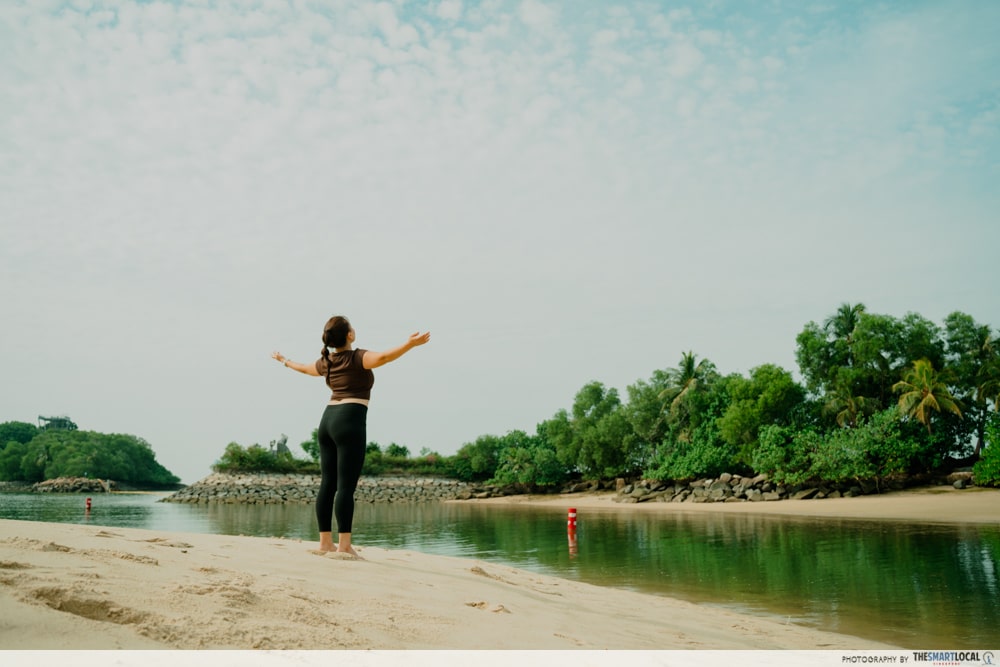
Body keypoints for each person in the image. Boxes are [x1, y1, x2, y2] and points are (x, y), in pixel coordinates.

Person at [272, 316, 430, 558]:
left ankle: (325, 543)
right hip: (349, 421)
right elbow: (384, 358)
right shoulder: (358, 357)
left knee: (328, 484)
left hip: (327, 421)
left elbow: (303, 368)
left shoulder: (327, 361)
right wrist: (409, 344)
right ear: (349, 335)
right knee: (345, 487)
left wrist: (284, 360)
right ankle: (344, 546)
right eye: (352, 327)